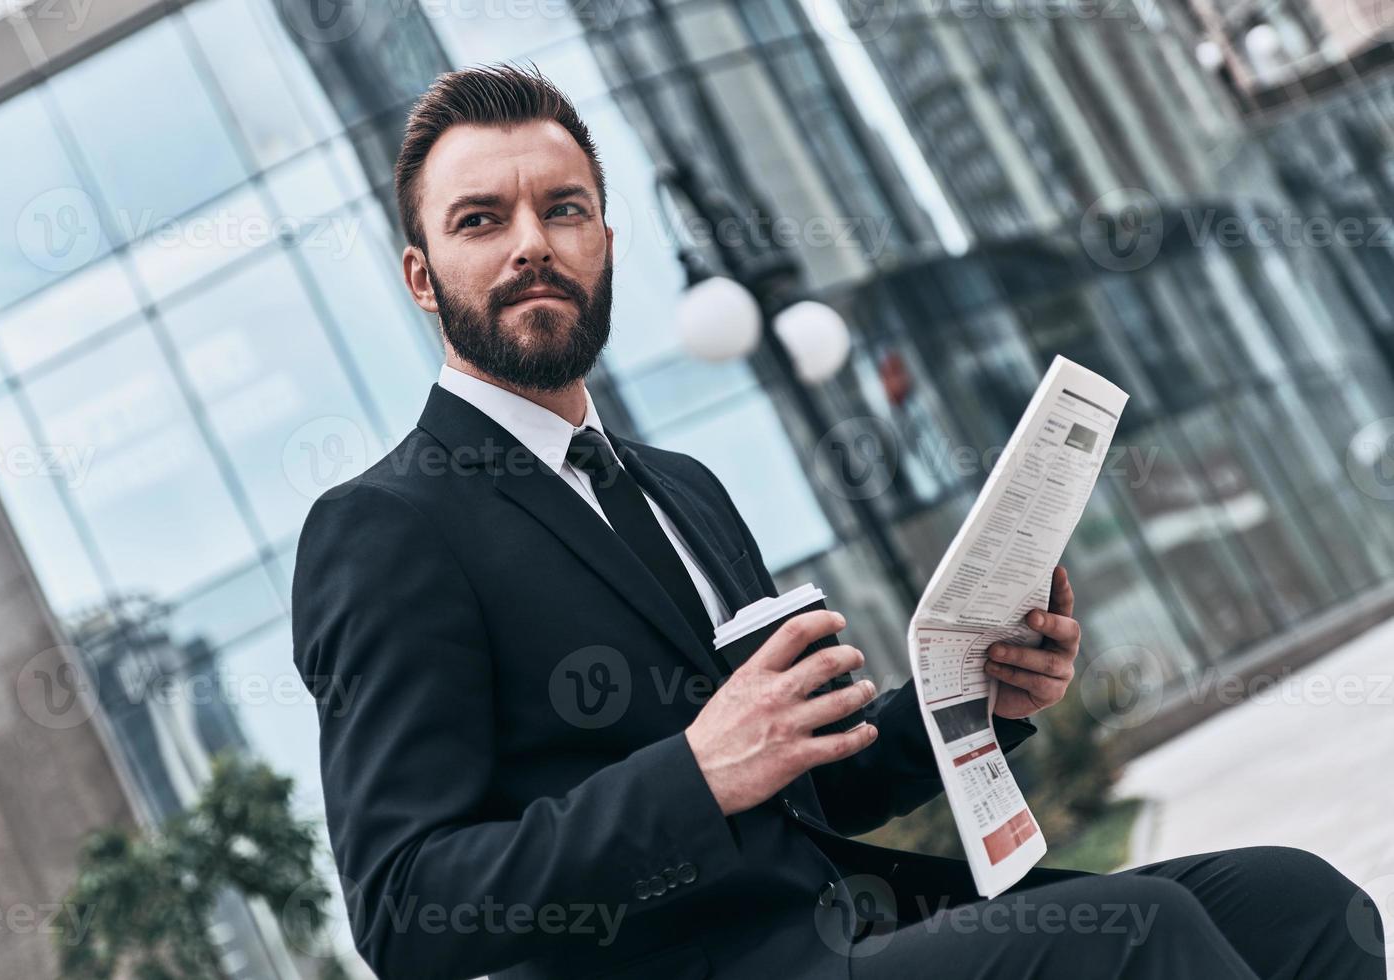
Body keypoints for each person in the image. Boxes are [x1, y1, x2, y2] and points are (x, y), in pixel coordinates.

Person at [290, 62, 1384, 980]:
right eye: (483, 220)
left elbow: (805, 779)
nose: (532, 243)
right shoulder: (386, 528)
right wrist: (695, 772)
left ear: (606, 244)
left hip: (847, 929)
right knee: (1149, 940)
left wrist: (978, 695)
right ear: (424, 278)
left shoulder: (680, 488)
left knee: (1304, 903)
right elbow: (405, 905)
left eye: (563, 209)